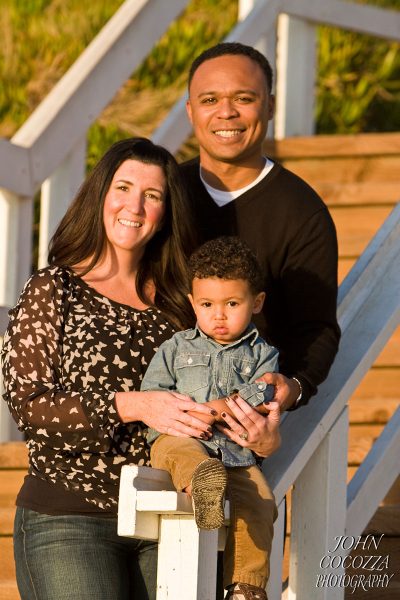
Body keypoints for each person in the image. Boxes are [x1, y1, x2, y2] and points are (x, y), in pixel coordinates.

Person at [0, 137, 221, 600]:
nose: (134, 206)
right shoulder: (53, 288)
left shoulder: (183, 306)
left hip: (168, 514)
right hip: (69, 517)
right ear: (100, 194)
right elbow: (29, 405)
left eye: (152, 195)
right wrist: (132, 405)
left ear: (166, 213)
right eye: (123, 187)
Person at [180, 42, 341, 417]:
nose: (226, 112)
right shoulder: (165, 193)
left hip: (239, 414)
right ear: (191, 111)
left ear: (269, 106)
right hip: (155, 394)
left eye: (243, 98)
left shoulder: (302, 212)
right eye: (209, 100)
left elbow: (316, 327)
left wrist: (294, 386)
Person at [141, 236, 281, 600]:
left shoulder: (263, 355)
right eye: (207, 304)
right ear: (192, 303)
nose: (218, 315)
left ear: (257, 303)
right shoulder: (176, 347)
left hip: (235, 453)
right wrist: (184, 413)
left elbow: (263, 395)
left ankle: (245, 586)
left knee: (261, 502)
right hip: (181, 436)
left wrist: (228, 404)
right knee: (180, 452)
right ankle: (200, 482)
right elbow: (151, 396)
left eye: (232, 303)